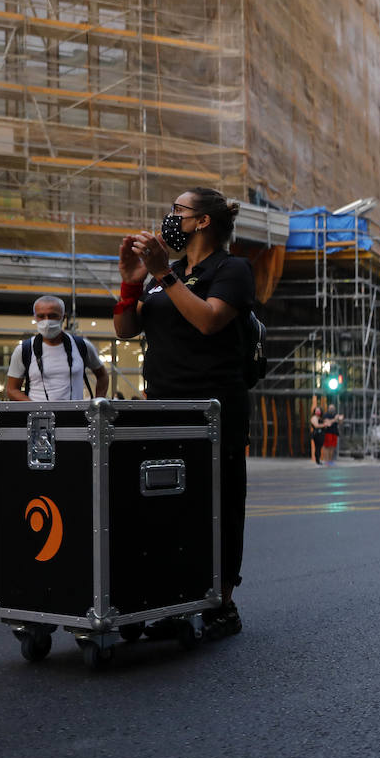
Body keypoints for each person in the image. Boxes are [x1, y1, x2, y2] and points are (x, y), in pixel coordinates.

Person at [114, 186, 254, 639]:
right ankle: (175, 594)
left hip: (215, 409)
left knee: (221, 504)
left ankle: (223, 604)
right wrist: (132, 280)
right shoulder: (165, 273)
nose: (170, 216)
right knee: (168, 503)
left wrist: (163, 276)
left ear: (203, 221)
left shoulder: (232, 269)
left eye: (178, 209)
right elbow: (125, 328)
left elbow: (209, 320)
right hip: (163, 405)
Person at [5, 295, 109, 402]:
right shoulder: (23, 350)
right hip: (38, 417)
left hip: (75, 416)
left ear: (63, 317)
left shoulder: (82, 345)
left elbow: (102, 376)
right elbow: (12, 389)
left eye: (52, 316)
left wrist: (98, 403)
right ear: (35, 318)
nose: (47, 321)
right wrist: (35, 408)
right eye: (41, 316)